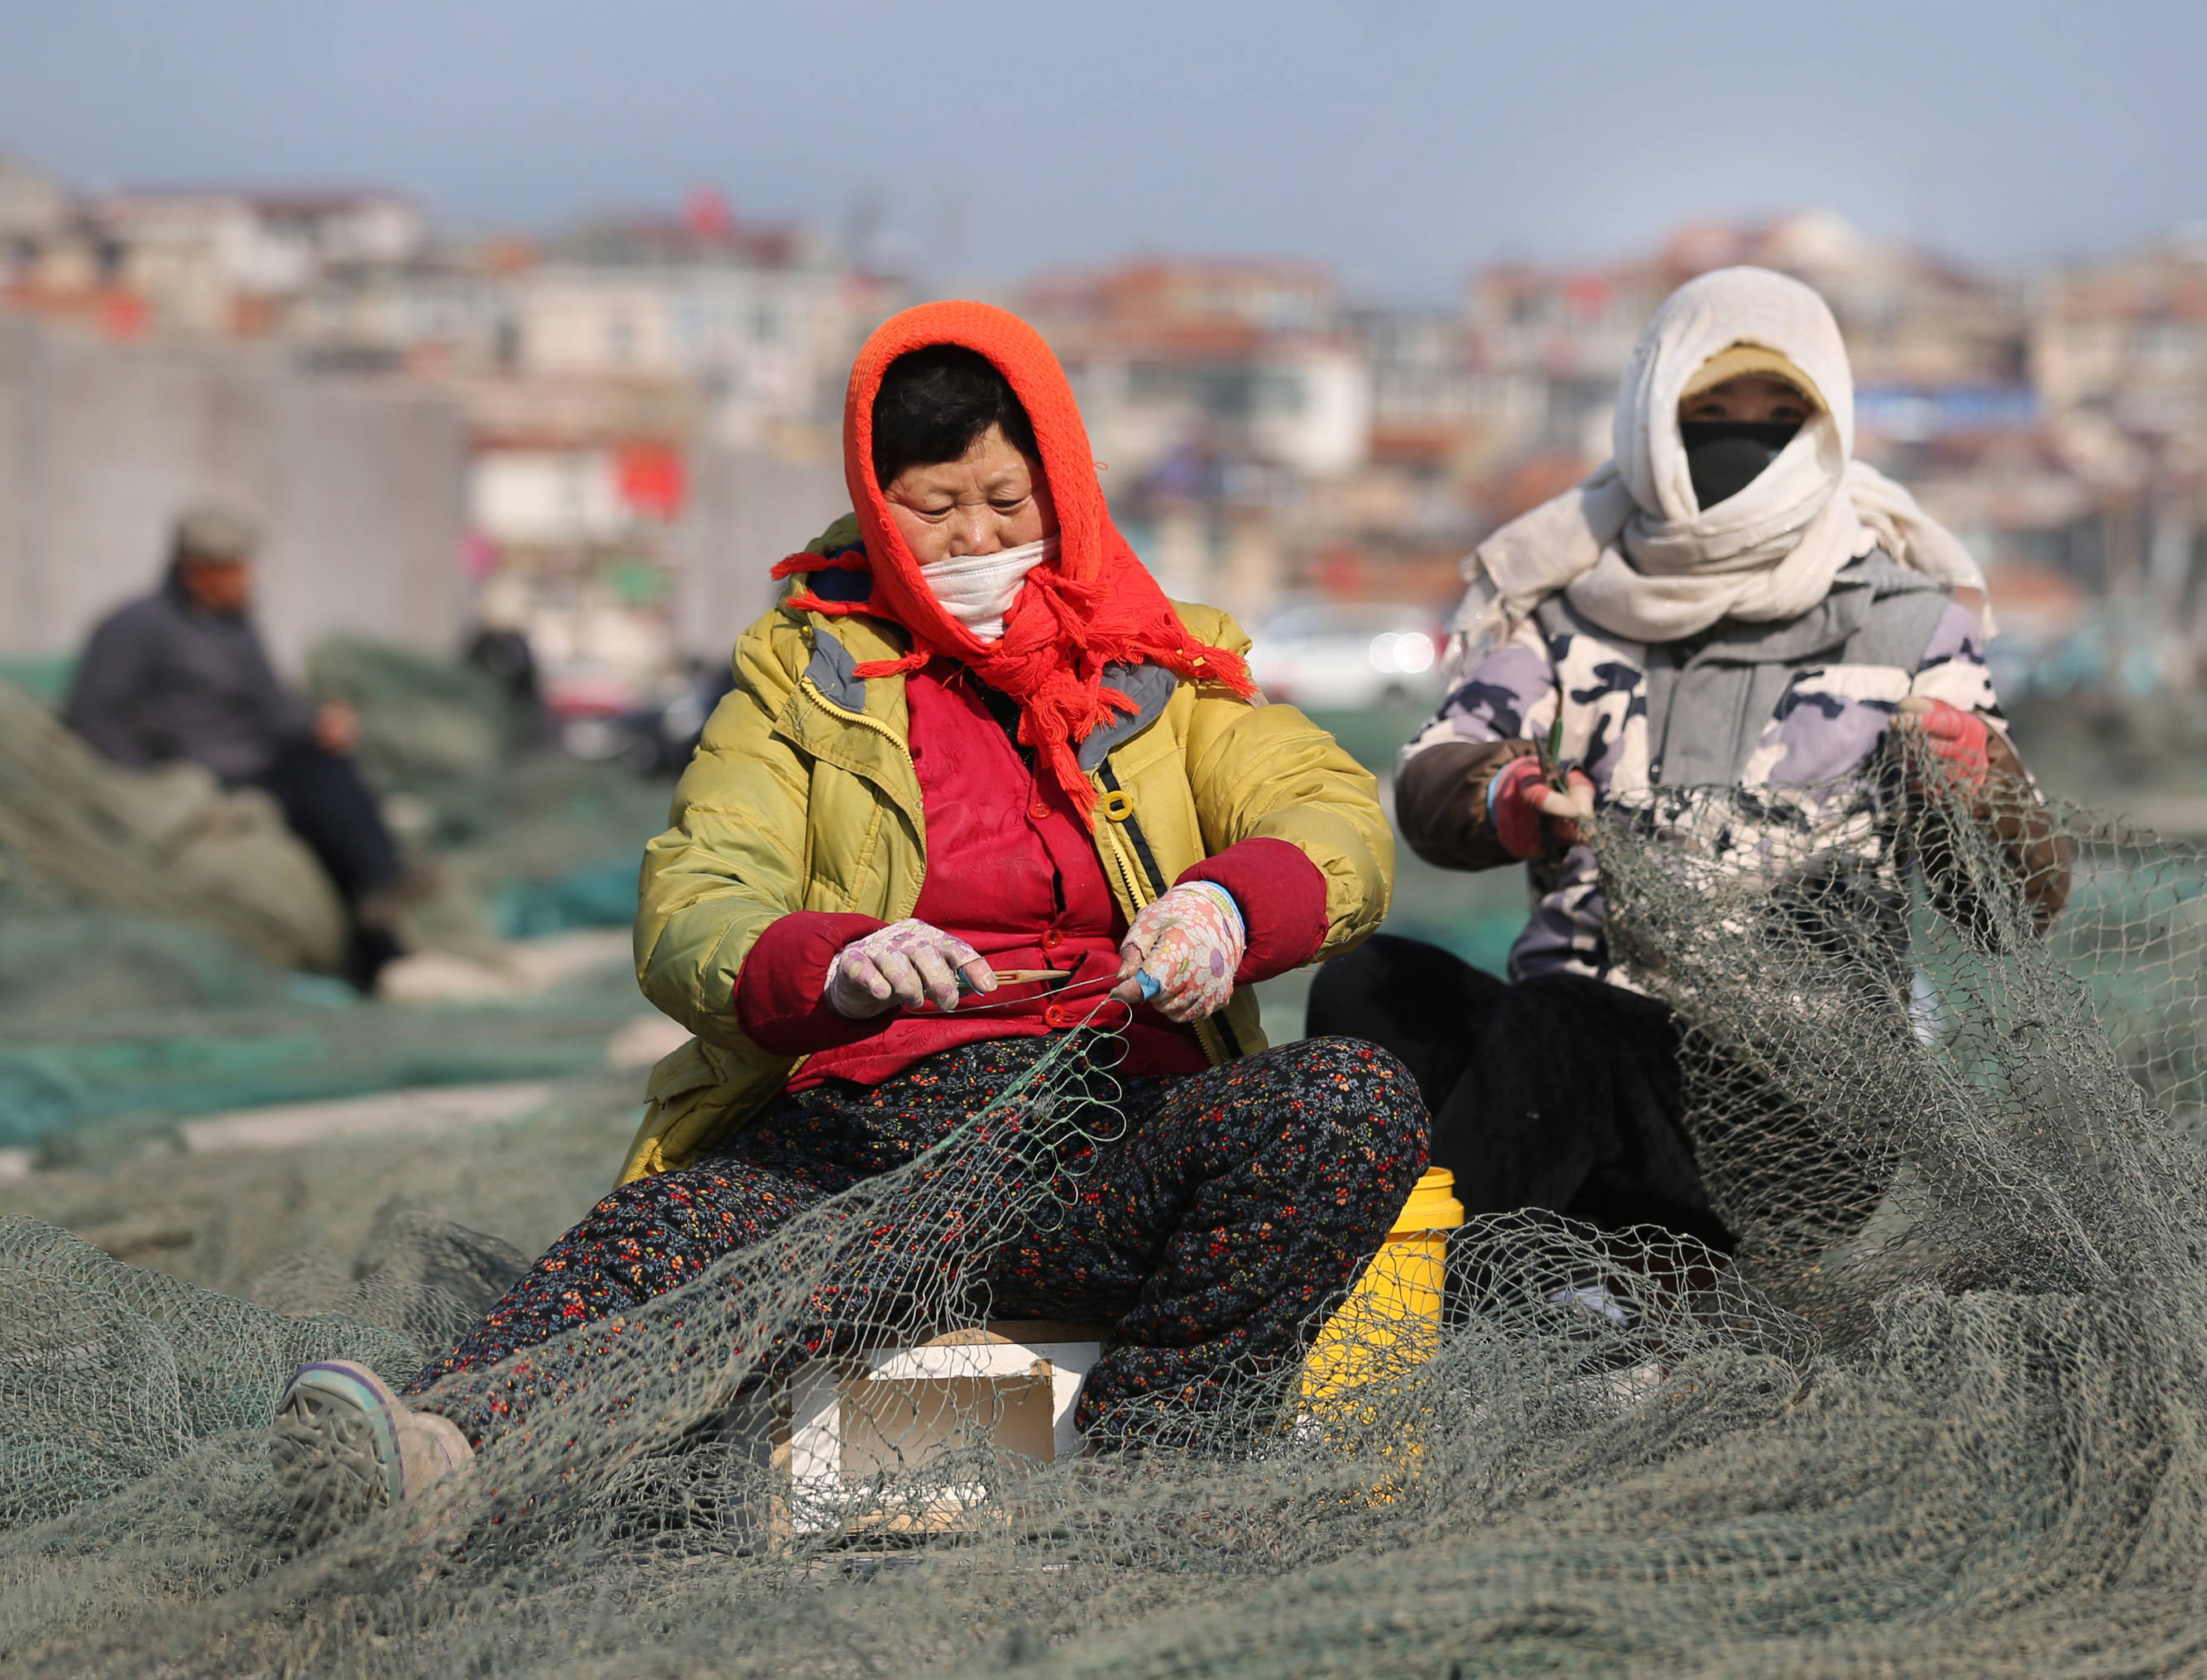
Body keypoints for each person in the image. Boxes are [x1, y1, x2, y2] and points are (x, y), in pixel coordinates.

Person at [269, 302, 1427, 1541]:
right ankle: (440, 1451)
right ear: (879, 504)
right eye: (936, 507)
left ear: (1065, 485)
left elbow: (1329, 809)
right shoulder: (797, 668)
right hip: (871, 1122)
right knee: (677, 1240)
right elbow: (696, 896)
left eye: (1006, 498)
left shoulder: (1171, 658)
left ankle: (1142, 1486)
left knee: (1348, 1101)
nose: (977, 536)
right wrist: (836, 961)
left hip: (1112, 1130)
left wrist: (1227, 904)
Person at [1308, 266, 2068, 1261]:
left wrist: (1980, 788)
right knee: (1371, 983)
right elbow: (1437, 770)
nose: (1740, 436)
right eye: (1710, 410)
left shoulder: (1911, 621)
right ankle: (1502, 1280)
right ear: (1654, 415)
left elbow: (2018, 897)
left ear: (1826, 420)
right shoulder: (1566, 605)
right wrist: (1506, 797)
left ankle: (1404, 1325)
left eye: (1777, 412)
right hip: (1582, 1042)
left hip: (1797, 1108)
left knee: (1561, 1033)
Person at [63, 506, 412, 988]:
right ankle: (378, 932)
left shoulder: (238, 628)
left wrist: (319, 724)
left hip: (263, 762)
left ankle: (382, 894)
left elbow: (275, 706)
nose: (246, 580)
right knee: (316, 815)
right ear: (196, 573)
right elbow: (93, 713)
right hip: (200, 773)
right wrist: (152, 781)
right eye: (234, 569)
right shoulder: (134, 627)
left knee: (331, 778)